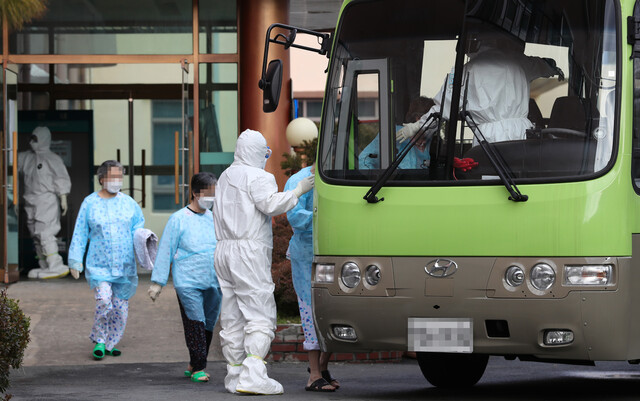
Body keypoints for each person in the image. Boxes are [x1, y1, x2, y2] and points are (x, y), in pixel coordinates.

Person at [213, 129, 314, 395]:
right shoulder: (259, 176)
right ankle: (254, 374)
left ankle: (235, 373)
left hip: (223, 250)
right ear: (258, 152)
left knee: (232, 314)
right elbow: (270, 205)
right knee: (260, 313)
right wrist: (298, 191)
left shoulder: (225, 176)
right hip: (248, 250)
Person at [397, 26, 565, 146]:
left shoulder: (463, 72)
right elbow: (543, 65)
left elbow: (441, 110)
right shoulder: (517, 61)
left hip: (489, 141)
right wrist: (554, 69)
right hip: (522, 134)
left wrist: (416, 127)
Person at [148, 172, 222, 383]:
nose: (212, 198)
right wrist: (157, 282)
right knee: (195, 322)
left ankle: (194, 362)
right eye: (209, 194)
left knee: (208, 324)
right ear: (195, 193)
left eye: (215, 194)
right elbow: (165, 250)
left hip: (213, 280)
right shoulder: (178, 219)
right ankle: (199, 367)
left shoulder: (214, 218)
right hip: (188, 281)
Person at [68, 160, 145, 360]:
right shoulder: (90, 203)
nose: (117, 181)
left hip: (125, 265)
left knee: (120, 308)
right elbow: (80, 231)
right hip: (99, 264)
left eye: (120, 177)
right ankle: (100, 339)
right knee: (104, 300)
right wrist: (75, 260)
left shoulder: (129, 203)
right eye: (112, 177)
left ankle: (111, 342)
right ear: (102, 179)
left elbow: (138, 229)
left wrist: (146, 247)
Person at [284, 163, 340, 392]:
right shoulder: (299, 180)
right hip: (305, 256)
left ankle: (322, 368)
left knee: (333, 311)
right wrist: (322, 217)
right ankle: (314, 375)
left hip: (332, 251)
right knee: (310, 311)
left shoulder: (336, 177)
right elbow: (294, 215)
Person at [18, 126, 72, 279]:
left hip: (46, 200)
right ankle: (44, 265)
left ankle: (56, 264)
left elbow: (61, 178)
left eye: (35, 138)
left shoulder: (53, 158)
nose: (32, 141)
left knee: (46, 232)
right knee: (35, 234)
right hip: (30, 199)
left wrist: (63, 197)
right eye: (32, 138)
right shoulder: (26, 157)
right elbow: (11, 161)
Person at [359, 97, 434, 170]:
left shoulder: (434, 141)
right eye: (433, 121)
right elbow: (364, 160)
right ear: (418, 118)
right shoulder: (394, 134)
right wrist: (376, 180)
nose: (434, 125)